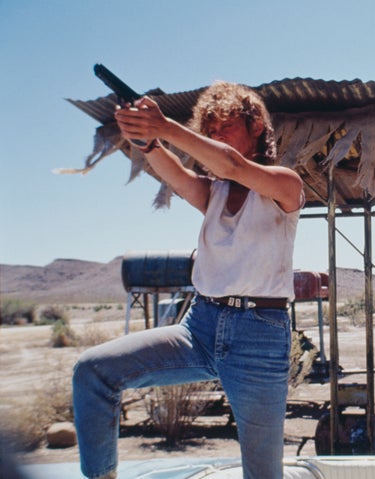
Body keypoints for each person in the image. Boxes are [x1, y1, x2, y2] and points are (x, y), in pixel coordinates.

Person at [72, 81, 305, 479]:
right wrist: (146, 141)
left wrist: (163, 127)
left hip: (259, 337)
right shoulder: (211, 193)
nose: (215, 135)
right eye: (209, 130)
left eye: (225, 126)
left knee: (264, 474)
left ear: (256, 128)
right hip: (199, 326)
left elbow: (232, 164)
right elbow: (176, 174)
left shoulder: (285, 184)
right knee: (92, 372)